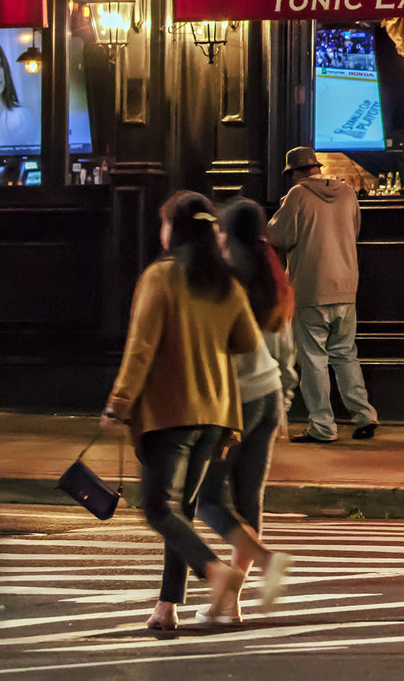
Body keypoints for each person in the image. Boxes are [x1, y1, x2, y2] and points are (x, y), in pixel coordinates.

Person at [103, 193, 283, 631]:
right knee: (180, 510)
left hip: (171, 411)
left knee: (159, 510)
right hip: (218, 415)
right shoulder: (225, 284)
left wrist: (119, 403)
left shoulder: (160, 277)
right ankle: (167, 608)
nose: (160, 231)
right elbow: (245, 342)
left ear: (175, 229)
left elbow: (141, 347)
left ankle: (216, 571)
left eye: (164, 222)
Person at [201, 199, 297, 613]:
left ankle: (265, 561)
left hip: (234, 401)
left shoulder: (224, 280)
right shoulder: (272, 276)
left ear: (227, 233)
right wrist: (285, 406)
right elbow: (284, 348)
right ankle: (232, 602)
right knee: (248, 499)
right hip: (270, 397)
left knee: (204, 497)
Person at [269, 146, 380, 443]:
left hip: (310, 288)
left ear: (294, 172)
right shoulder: (347, 193)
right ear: (317, 167)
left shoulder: (297, 195)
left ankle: (322, 427)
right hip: (346, 287)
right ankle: (364, 416)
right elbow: (353, 232)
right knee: (345, 354)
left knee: (314, 359)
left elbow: (276, 236)